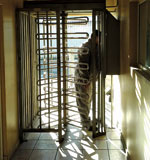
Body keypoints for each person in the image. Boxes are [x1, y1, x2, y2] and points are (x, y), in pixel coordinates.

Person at [75, 30, 101, 130]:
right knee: (83, 101)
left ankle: (86, 121)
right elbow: (83, 66)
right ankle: (85, 124)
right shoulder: (86, 47)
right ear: (95, 37)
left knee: (87, 100)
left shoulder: (94, 47)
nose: (100, 41)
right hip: (83, 80)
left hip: (89, 80)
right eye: (99, 38)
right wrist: (85, 81)